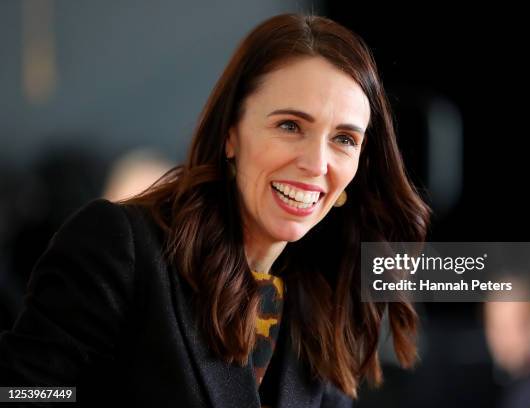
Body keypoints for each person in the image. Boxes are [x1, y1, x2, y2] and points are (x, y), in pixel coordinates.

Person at [0, 13, 431, 407]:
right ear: (231, 133)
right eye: (289, 126)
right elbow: (22, 391)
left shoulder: (322, 299)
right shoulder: (121, 246)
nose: (316, 164)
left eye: (344, 139)